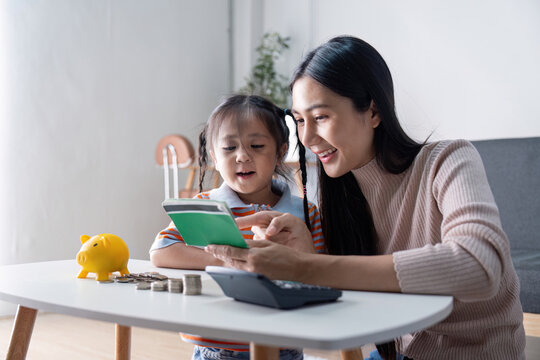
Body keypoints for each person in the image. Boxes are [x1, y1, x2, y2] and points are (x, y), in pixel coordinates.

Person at [205, 36, 526, 360]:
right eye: (300, 121)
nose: (308, 137)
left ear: (373, 111)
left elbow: (480, 266)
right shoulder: (340, 192)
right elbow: (347, 300)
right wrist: (309, 254)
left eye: (321, 117)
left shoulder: (448, 160)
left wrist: (309, 266)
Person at [149, 94, 325, 360]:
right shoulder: (205, 205)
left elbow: (321, 272)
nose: (242, 157)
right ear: (214, 156)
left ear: (280, 151)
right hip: (215, 348)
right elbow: (162, 250)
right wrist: (232, 261)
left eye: (256, 146)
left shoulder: (304, 212)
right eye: (229, 149)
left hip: (282, 348)